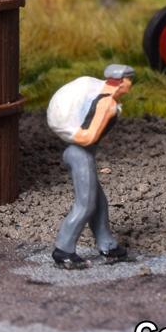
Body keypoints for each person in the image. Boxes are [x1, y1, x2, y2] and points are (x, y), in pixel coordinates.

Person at [45, 63, 135, 269]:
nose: (131, 84)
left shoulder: (105, 98)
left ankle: (108, 245)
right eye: (129, 80)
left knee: (98, 203)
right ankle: (64, 250)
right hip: (81, 154)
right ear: (120, 82)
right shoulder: (107, 104)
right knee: (85, 205)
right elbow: (89, 137)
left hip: (80, 153)